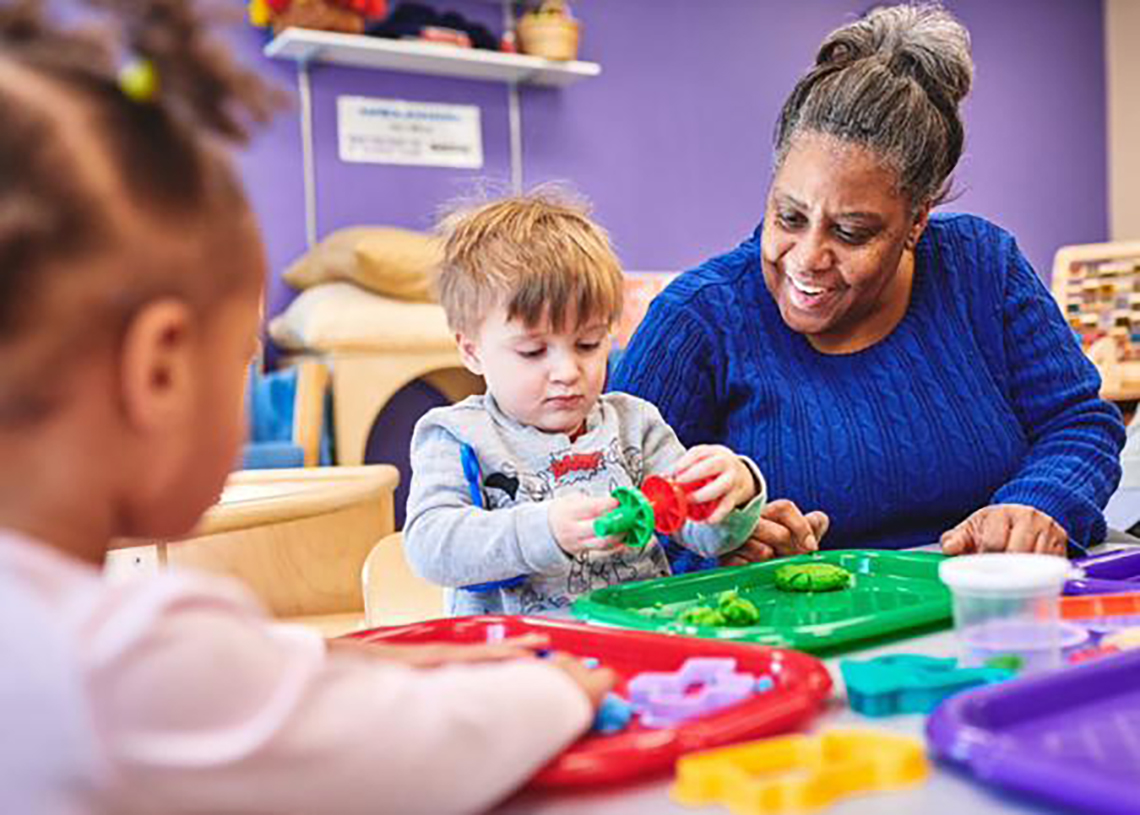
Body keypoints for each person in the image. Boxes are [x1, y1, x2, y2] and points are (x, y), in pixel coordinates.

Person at [0, 2, 615, 813]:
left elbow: (244, 677)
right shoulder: (118, 660)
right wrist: (560, 692)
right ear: (157, 371)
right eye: (239, 360)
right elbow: (421, 754)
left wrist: (369, 664)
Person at [612, 3, 1125, 559]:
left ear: (916, 221)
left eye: (852, 233)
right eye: (788, 216)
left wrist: (1040, 503)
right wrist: (724, 545)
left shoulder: (982, 266)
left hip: (985, 602)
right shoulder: (699, 319)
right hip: (799, 633)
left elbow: (1078, 421)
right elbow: (608, 512)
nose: (807, 259)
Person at [403, 191, 773, 616]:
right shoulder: (458, 434)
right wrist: (543, 532)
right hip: (519, 659)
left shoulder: (636, 423)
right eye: (532, 351)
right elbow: (430, 545)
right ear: (471, 350)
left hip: (643, 642)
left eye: (587, 344)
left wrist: (734, 492)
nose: (567, 371)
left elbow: (708, 537)